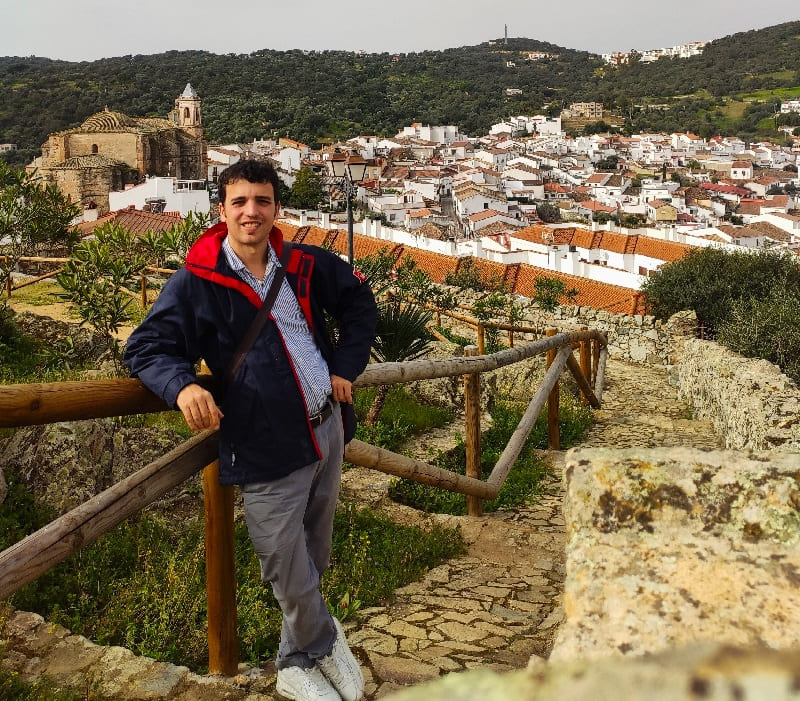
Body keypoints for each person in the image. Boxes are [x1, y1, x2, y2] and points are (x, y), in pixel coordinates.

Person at [124, 159, 377, 701]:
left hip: (326, 427)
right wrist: (183, 386)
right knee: (282, 557)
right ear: (222, 210)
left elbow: (359, 299)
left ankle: (293, 662)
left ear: (276, 209)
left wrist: (343, 368)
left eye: (261, 201)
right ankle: (326, 643)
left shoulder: (304, 263)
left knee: (314, 550)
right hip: (265, 438)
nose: (251, 212)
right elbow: (146, 347)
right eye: (239, 201)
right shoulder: (198, 281)